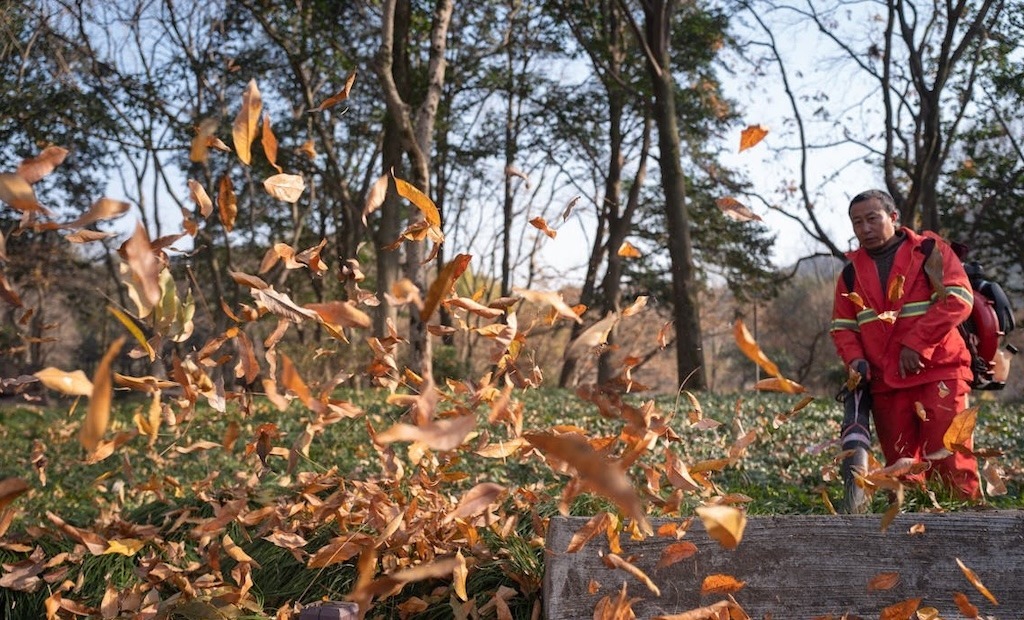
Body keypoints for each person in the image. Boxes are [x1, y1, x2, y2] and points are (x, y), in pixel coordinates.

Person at [830, 189, 980, 499]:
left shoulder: (929, 251)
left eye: (873, 219)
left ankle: (969, 533)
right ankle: (909, 540)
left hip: (940, 373)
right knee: (901, 473)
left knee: (951, 463)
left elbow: (959, 299)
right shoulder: (849, 274)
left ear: (894, 218)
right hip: (886, 385)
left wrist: (917, 343)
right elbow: (843, 328)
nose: (865, 229)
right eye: (857, 223)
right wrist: (855, 361)